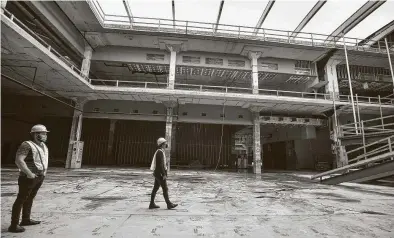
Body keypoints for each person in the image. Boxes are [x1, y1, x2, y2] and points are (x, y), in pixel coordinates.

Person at [8, 125, 49, 233]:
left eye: (45, 133)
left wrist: (43, 174)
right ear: (36, 134)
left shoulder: (43, 145)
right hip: (28, 177)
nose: (45, 135)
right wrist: (29, 173)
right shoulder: (26, 145)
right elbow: (19, 160)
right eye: (43, 133)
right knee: (21, 199)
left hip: (40, 176)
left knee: (30, 198)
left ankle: (25, 219)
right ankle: (14, 225)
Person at [149, 137, 178, 210]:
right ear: (162, 144)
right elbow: (160, 165)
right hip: (160, 174)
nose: (166, 144)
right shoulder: (160, 152)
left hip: (158, 173)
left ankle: (151, 204)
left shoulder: (161, 151)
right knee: (165, 189)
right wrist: (163, 174)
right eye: (165, 143)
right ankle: (169, 204)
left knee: (155, 188)